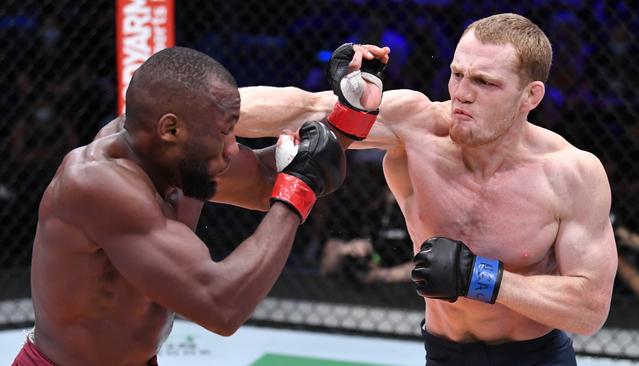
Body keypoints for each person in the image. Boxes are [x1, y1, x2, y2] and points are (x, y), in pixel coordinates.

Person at [234, 13, 618, 365]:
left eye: (484, 82)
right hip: (442, 353)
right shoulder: (416, 127)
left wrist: (480, 278)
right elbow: (302, 108)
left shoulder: (571, 174)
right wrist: (201, 107)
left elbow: (589, 310)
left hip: (536, 358)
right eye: (457, 74)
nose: (462, 93)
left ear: (530, 96)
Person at [11, 47, 350, 365]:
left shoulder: (179, 157)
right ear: (170, 128)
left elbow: (271, 178)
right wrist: (297, 189)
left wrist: (351, 113)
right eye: (225, 132)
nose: (233, 148)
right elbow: (221, 306)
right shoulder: (97, 184)